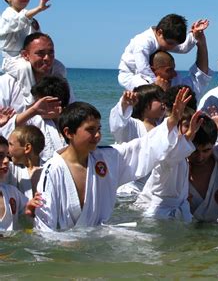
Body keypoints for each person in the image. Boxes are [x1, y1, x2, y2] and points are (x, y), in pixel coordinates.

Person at [34, 88, 199, 232]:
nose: (98, 136)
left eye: (99, 129)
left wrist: (171, 121)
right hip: (65, 243)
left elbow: (143, 148)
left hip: (98, 237)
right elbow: (44, 223)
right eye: (90, 130)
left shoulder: (106, 158)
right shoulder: (53, 169)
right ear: (69, 133)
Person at [1, 0, 66, 103]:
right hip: (13, 59)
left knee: (59, 67)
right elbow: (19, 20)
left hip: (32, 56)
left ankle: (60, 95)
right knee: (24, 68)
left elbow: (38, 38)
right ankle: (31, 99)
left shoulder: (31, 18)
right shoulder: (7, 17)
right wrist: (38, 9)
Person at [134, 106, 203, 222]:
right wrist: (189, 132)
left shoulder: (184, 154)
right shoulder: (166, 150)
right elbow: (171, 156)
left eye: (194, 125)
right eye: (187, 125)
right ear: (176, 127)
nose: (191, 128)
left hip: (173, 212)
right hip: (158, 214)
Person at [118, 14, 209, 90]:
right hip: (130, 75)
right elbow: (143, 68)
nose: (172, 47)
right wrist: (157, 83)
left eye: (174, 44)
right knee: (151, 90)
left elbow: (183, 48)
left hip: (146, 75)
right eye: (170, 43)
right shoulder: (143, 42)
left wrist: (194, 35)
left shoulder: (164, 40)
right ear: (159, 32)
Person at [109, 84, 166, 195]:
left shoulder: (162, 127)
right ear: (145, 104)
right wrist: (125, 105)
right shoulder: (132, 125)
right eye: (159, 100)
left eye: (164, 100)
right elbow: (117, 125)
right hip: (129, 188)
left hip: (152, 188)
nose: (163, 104)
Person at [1, 75, 67, 161]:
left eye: (43, 103)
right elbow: (10, 128)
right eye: (36, 101)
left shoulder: (69, 120)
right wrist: (34, 110)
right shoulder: (34, 119)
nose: (38, 105)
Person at [0, 32, 73, 110]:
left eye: (51, 52)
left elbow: (71, 113)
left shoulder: (59, 82)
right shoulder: (5, 83)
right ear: (25, 55)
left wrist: (56, 117)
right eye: (40, 53)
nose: (47, 58)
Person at [188, 115, 218, 222]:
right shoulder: (174, 169)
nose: (200, 157)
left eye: (206, 150)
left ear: (214, 145)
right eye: (194, 151)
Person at [0, 150, 42, 232]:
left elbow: (26, 213)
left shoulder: (12, 192)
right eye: (0, 156)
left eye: (7, 156)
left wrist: (29, 208)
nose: (6, 160)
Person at [6, 125, 44, 198]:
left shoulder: (50, 170)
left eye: (11, 144)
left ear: (27, 148)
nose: (7, 150)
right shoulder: (9, 169)